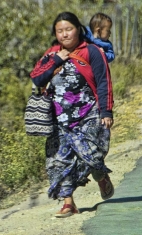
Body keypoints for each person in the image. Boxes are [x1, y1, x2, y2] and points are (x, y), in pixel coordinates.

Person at [30, 11, 114, 218]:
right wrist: (56, 61)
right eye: (60, 31)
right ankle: (69, 203)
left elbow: (103, 81)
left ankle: (99, 172)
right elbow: (37, 79)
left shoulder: (92, 51)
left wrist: (106, 110)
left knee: (93, 153)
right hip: (59, 118)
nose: (65, 34)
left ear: (78, 29)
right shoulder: (52, 54)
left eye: (69, 29)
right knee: (59, 160)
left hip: (89, 114)